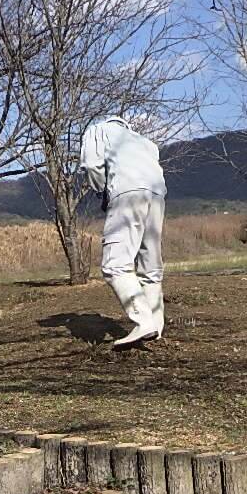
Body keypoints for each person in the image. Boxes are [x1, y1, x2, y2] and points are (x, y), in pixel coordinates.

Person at [79, 116, 167, 349]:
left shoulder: (97, 130)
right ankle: (155, 328)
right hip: (158, 194)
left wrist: (102, 192)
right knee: (151, 268)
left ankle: (143, 320)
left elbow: (91, 165)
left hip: (127, 192)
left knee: (114, 264)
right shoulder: (145, 142)